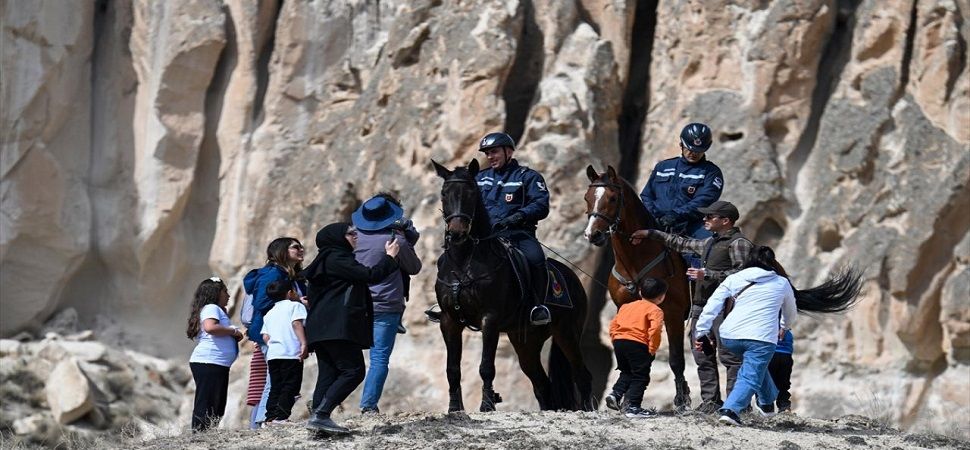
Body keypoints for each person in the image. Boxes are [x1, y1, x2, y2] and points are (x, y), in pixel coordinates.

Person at [630, 200, 752, 413]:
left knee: (730, 358)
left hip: (725, 309)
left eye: (710, 216)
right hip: (701, 308)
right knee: (702, 355)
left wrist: (708, 275)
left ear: (725, 221)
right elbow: (680, 243)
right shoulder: (710, 242)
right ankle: (711, 402)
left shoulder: (739, 243)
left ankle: (736, 406)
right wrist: (650, 233)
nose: (704, 219)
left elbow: (744, 274)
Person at [302, 223, 400, 435]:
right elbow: (370, 275)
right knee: (354, 371)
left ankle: (317, 422)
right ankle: (322, 414)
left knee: (328, 374)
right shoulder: (337, 258)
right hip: (337, 327)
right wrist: (390, 257)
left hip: (321, 328)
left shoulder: (324, 261)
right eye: (350, 233)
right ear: (337, 238)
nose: (356, 236)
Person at [693, 246, 796, 426]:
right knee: (750, 375)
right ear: (772, 262)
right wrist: (784, 327)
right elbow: (790, 311)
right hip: (762, 338)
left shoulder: (734, 278)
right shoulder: (781, 282)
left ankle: (767, 403)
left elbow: (712, 305)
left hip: (730, 336)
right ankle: (730, 410)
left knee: (755, 367)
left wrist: (701, 332)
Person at [351, 194, 422, 414]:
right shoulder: (395, 239)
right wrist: (408, 240)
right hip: (386, 305)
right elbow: (414, 268)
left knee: (346, 358)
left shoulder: (352, 237)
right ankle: (368, 406)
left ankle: (325, 403)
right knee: (379, 359)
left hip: (355, 304)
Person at [475, 131, 552, 325]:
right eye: (487, 153)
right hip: (485, 236)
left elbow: (541, 204)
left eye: (494, 152)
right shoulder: (479, 178)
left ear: (508, 151)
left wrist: (518, 216)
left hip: (517, 234)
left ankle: (538, 306)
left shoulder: (529, 177)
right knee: (451, 256)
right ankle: (448, 303)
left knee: (536, 259)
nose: (490, 156)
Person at [245, 237, 307, 429]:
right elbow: (261, 302)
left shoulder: (292, 275)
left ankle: (264, 421)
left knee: (276, 381)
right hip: (274, 335)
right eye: (295, 247)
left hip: (284, 335)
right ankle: (264, 422)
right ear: (281, 251)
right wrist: (296, 301)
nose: (301, 249)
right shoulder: (273, 274)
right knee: (275, 382)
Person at [639, 122, 724, 241]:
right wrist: (655, 215)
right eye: (689, 149)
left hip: (691, 226)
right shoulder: (662, 166)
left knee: (711, 245)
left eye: (698, 151)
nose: (693, 154)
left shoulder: (711, 172)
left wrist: (676, 215)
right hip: (655, 222)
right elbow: (647, 195)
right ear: (681, 145)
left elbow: (704, 200)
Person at [604, 277, 667, 419]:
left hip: (619, 342)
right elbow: (655, 330)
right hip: (638, 344)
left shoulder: (626, 306)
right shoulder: (656, 310)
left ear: (640, 291)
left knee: (627, 372)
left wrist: (615, 339)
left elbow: (613, 325)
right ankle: (633, 407)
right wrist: (652, 347)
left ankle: (616, 394)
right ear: (661, 297)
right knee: (641, 376)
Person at [186, 277, 243, 431]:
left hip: (216, 363)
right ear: (216, 293)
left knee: (216, 404)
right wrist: (233, 331)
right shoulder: (212, 308)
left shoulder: (214, 309)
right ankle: (200, 436)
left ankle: (206, 433)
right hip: (210, 362)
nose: (228, 295)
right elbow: (210, 327)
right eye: (225, 291)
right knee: (207, 403)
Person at [260, 280, 309, 425]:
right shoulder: (295, 306)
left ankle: (270, 417)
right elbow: (296, 323)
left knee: (276, 386)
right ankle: (281, 417)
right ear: (289, 293)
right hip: (290, 353)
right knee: (291, 385)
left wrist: (275, 345)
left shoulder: (269, 313)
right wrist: (303, 343)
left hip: (273, 355)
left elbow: (265, 336)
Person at [766, 328, 794, 412]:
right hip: (786, 354)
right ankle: (784, 406)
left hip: (770, 353)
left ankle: (767, 409)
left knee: (766, 384)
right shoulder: (785, 324)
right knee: (783, 383)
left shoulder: (767, 323)